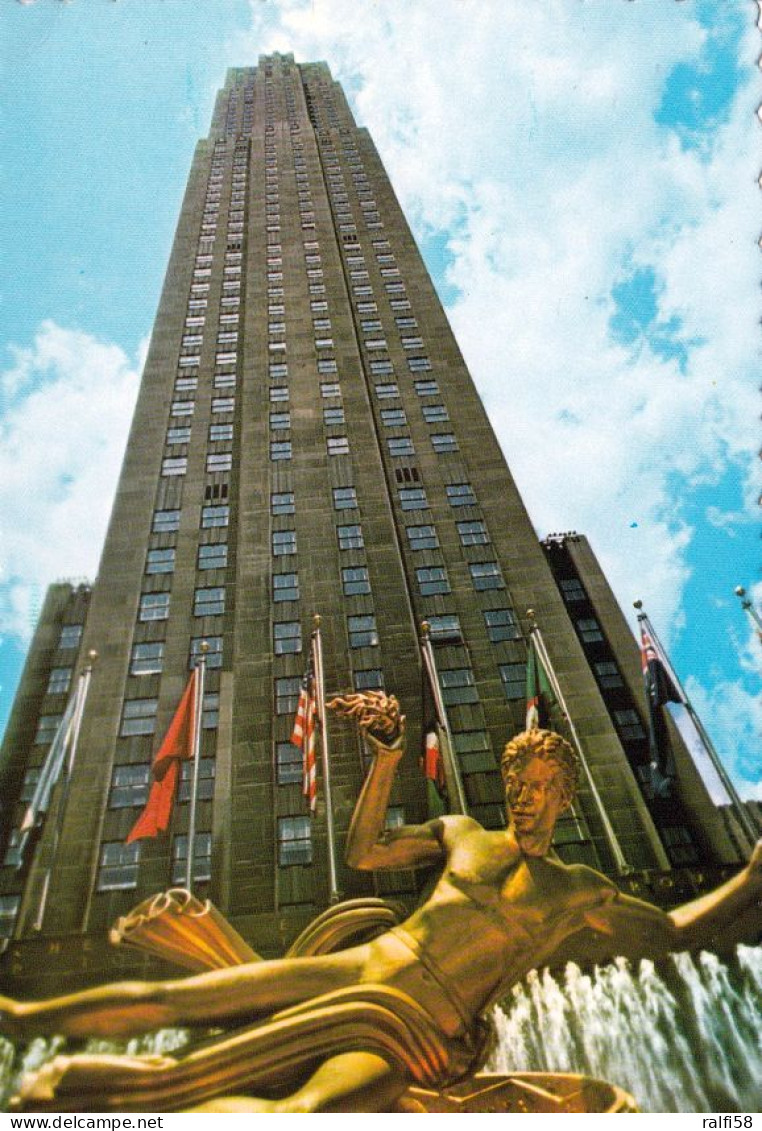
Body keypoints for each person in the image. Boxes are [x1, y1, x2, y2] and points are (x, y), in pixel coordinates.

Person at [3, 693, 761, 1114]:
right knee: (180, 996)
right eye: (516, 787)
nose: (525, 801)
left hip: (415, 1031)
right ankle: (21, 1020)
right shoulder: (466, 833)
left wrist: (752, 882)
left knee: (307, 1114)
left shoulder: (578, 889)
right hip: (365, 966)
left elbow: (669, 932)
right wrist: (388, 759)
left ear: (564, 796)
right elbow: (365, 850)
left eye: (539, 791)